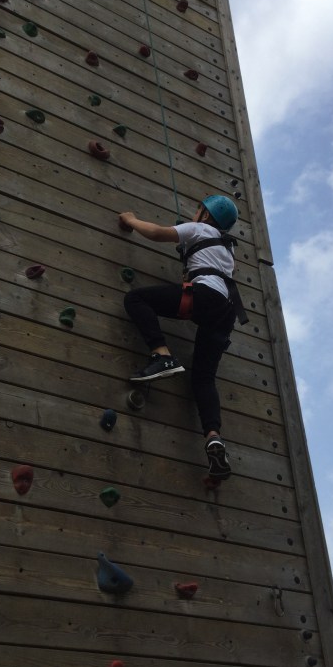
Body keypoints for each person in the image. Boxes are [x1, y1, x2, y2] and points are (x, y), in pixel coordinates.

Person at [119, 195, 245, 481]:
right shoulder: (227, 249)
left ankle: (162, 355)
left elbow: (156, 233)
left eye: (199, 209)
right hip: (225, 312)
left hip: (204, 297)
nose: (194, 213)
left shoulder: (198, 229)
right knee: (203, 379)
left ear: (205, 214)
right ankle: (213, 438)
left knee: (136, 299)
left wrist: (131, 220)